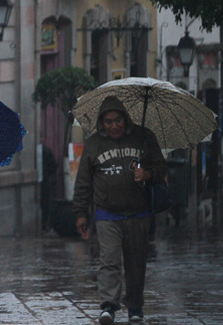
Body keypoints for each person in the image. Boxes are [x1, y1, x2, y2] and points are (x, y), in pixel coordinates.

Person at [71, 96, 166, 324]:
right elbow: (84, 180)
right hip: (106, 213)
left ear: (125, 120)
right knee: (109, 260)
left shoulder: (144, 137)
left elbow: (161, 166)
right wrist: (80, 213)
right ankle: (108, 305)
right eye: (107, 121)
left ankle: (135, 307)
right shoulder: (94, 143)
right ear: (101, 123)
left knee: (136, 262)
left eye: (117, 121)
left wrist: (148, 174)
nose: (113, 126)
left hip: (139, 212)